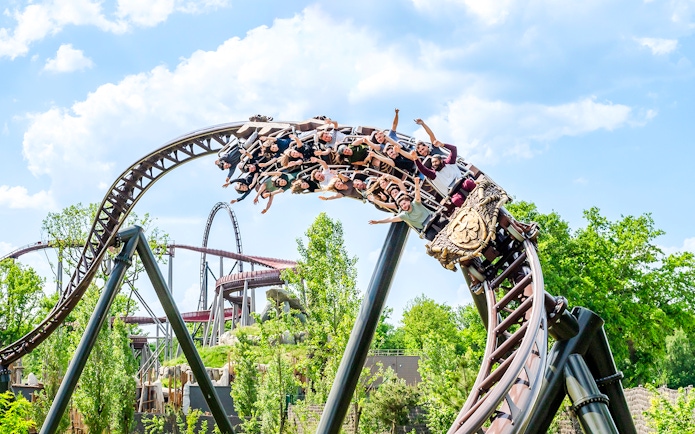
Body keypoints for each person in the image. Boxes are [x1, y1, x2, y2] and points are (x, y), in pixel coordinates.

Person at [368, 178, 443, 240]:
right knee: (432, 236)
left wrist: (416, 183)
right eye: (402, 206)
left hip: (432, 218)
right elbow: (390, 219)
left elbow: (417, 192)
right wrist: (378, 221)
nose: (404, 206)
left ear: (408, 201)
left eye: (404, 204)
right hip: (426, 228)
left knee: (443, 222)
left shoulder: (413, 201)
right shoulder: (403, 214)